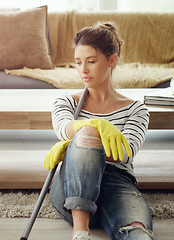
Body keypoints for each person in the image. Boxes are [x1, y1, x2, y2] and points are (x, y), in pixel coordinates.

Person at [44, 22, 153, 240]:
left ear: (111, 60)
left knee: (138, 234)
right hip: (71, 189)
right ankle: (80, 232)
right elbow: (63, 128)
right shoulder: (66, 101)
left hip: (117, 184)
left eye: (91, 61)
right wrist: (87, 135)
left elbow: (125, 153)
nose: (83, 70)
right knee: (86, 134)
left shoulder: (136, 109)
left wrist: (88, 142)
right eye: (78, 62)